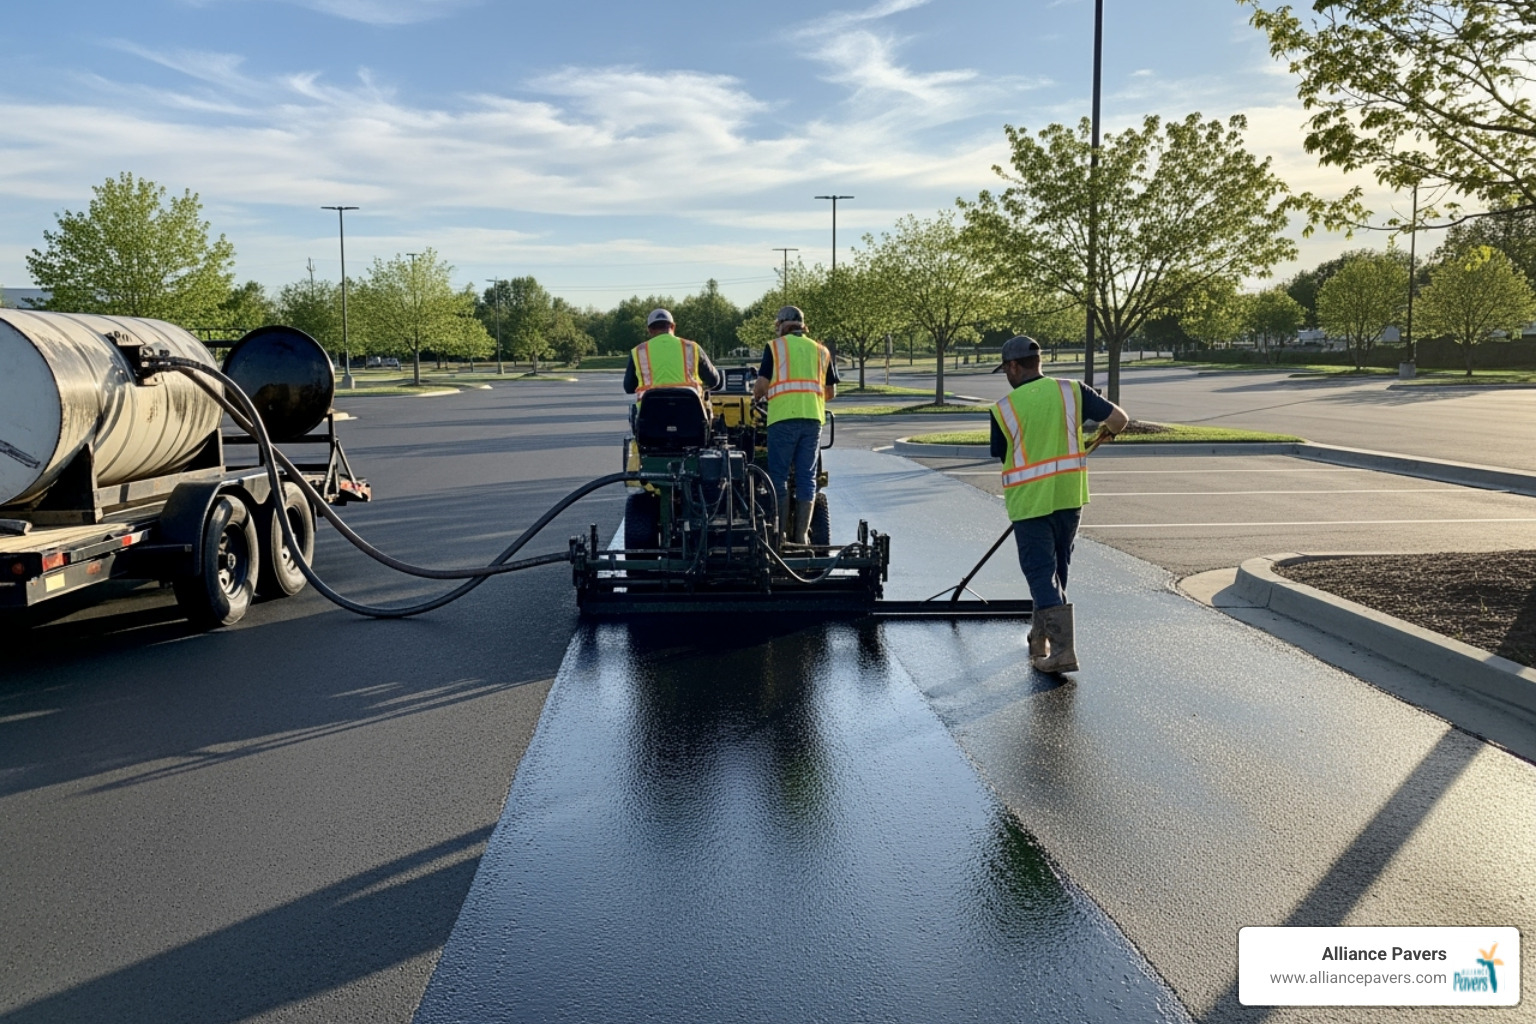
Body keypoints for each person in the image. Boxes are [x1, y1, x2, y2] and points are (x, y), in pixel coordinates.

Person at [990, 335, 1128, 673]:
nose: (1006, 376)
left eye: (1005, 370)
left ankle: (1063, 652)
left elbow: (1000, 453)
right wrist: (1104, 433)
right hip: (1069, 499)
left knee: (1040, 574)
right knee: (1056, 571)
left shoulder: (1004, 409)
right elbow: (1120, 420)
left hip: (1031, 504)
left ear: (1013, 366)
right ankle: (1041, 637)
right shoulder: (1072, 391)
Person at [751, 306, 839, 543]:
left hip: (782, 420)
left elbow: (761, 386)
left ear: (782, 324)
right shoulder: (821, 351)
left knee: (778, 477)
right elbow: (830, 391)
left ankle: (779, 536)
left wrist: (757, 395)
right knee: (806, 477)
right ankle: (801, 536)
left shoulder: (775, 348)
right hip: (812, 420)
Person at [624, 308, 721, 401]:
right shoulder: (692, 347)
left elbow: (629, 388)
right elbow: (713, 380)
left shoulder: (638, 351)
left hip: (651, 413)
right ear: (673, 326)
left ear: (649, 330)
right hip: (689, 412)